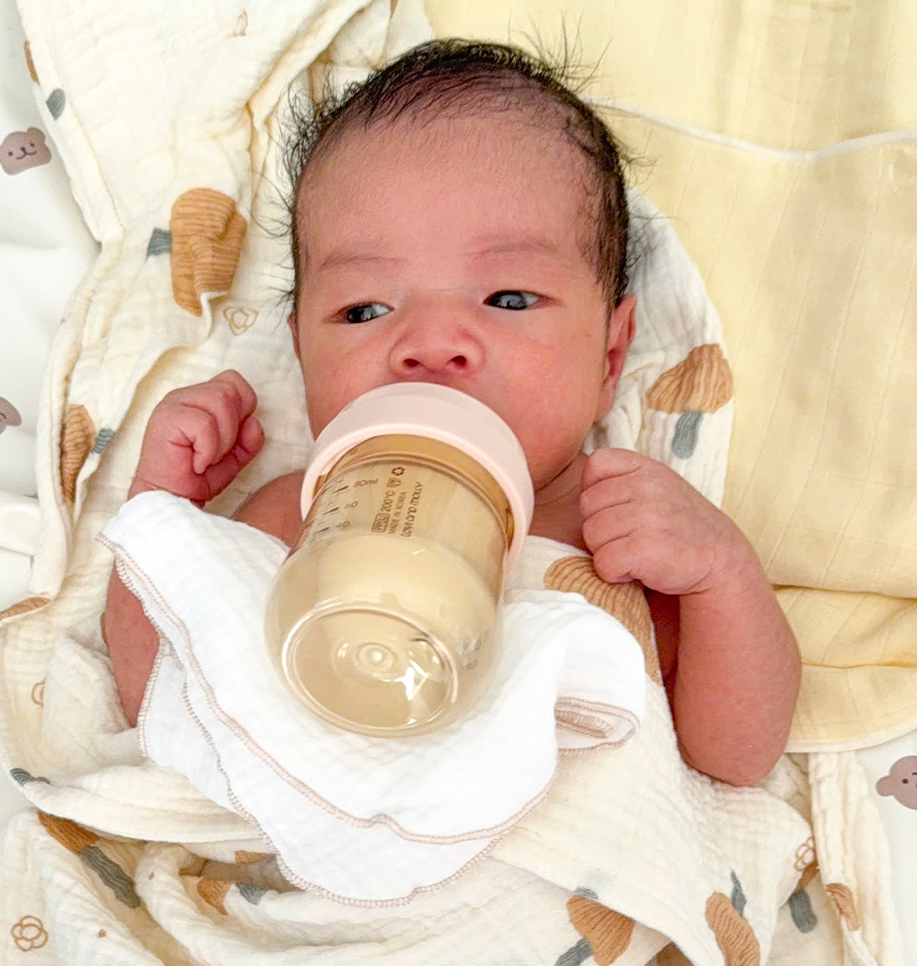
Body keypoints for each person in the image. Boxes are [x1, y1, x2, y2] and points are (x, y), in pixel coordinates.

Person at [104, 39, 800, 791]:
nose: (432, 344)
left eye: (508, 298)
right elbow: (164, 698)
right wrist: (161, 512)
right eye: (364, 309)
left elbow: (735, 755)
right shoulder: (302, 519)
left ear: (609, 358)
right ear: (302, 358)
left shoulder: (624, 531)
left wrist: (721, 576)